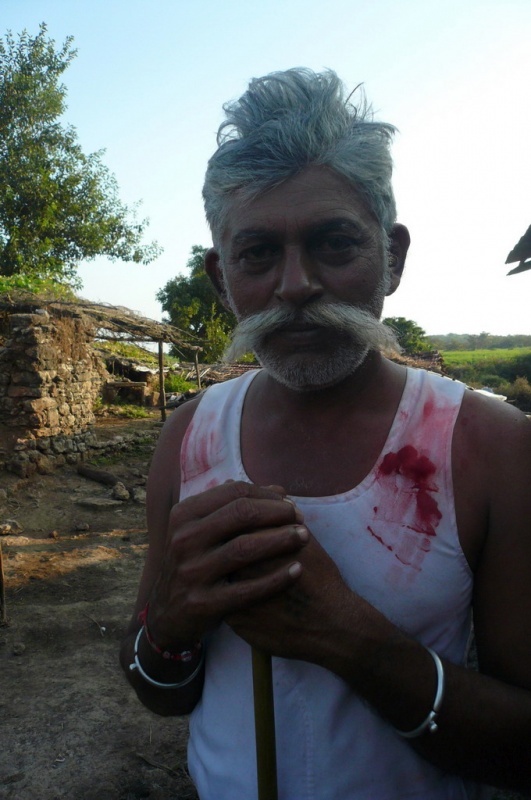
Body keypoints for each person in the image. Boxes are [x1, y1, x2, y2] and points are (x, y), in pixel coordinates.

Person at [120, 68, 531, 799]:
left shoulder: (488, 446)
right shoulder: (189, 436)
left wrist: (348, 639)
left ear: (392, 257)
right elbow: (159, 691)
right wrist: (170, 622)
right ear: (221, 278)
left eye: (334, 243)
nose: (295, 285)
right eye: (257, 253)